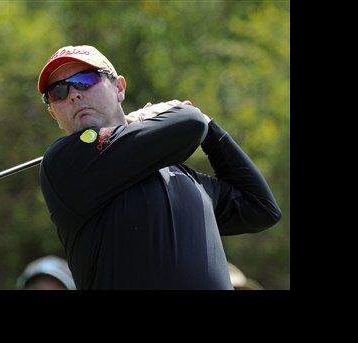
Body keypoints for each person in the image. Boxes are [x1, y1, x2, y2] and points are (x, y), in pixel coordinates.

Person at [35, 45, 282, 289]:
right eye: (59, 92)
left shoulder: (180, 174)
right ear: (53, 113)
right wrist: (194, 118)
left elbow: (260, 207)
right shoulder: (62, 164)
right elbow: (191, 123)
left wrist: (212, 130)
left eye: (86, 80)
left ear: (119, 88)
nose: (74, 95)